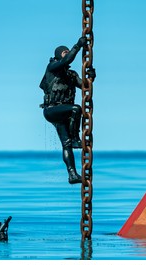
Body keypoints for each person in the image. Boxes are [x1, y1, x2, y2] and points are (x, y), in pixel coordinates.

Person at [40, 36, 96, 184]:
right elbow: (67, 60)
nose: (67, 53)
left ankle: (72, 174)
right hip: (52, 110)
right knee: (76, 109)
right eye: (64, 52)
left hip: (63, 113)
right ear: (58, 55)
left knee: (66, 144)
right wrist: (77, 46)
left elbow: (85, 86)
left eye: (67, 51)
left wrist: (91, 78)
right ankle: (76, 139)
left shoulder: (71, 75)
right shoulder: (52, 67)